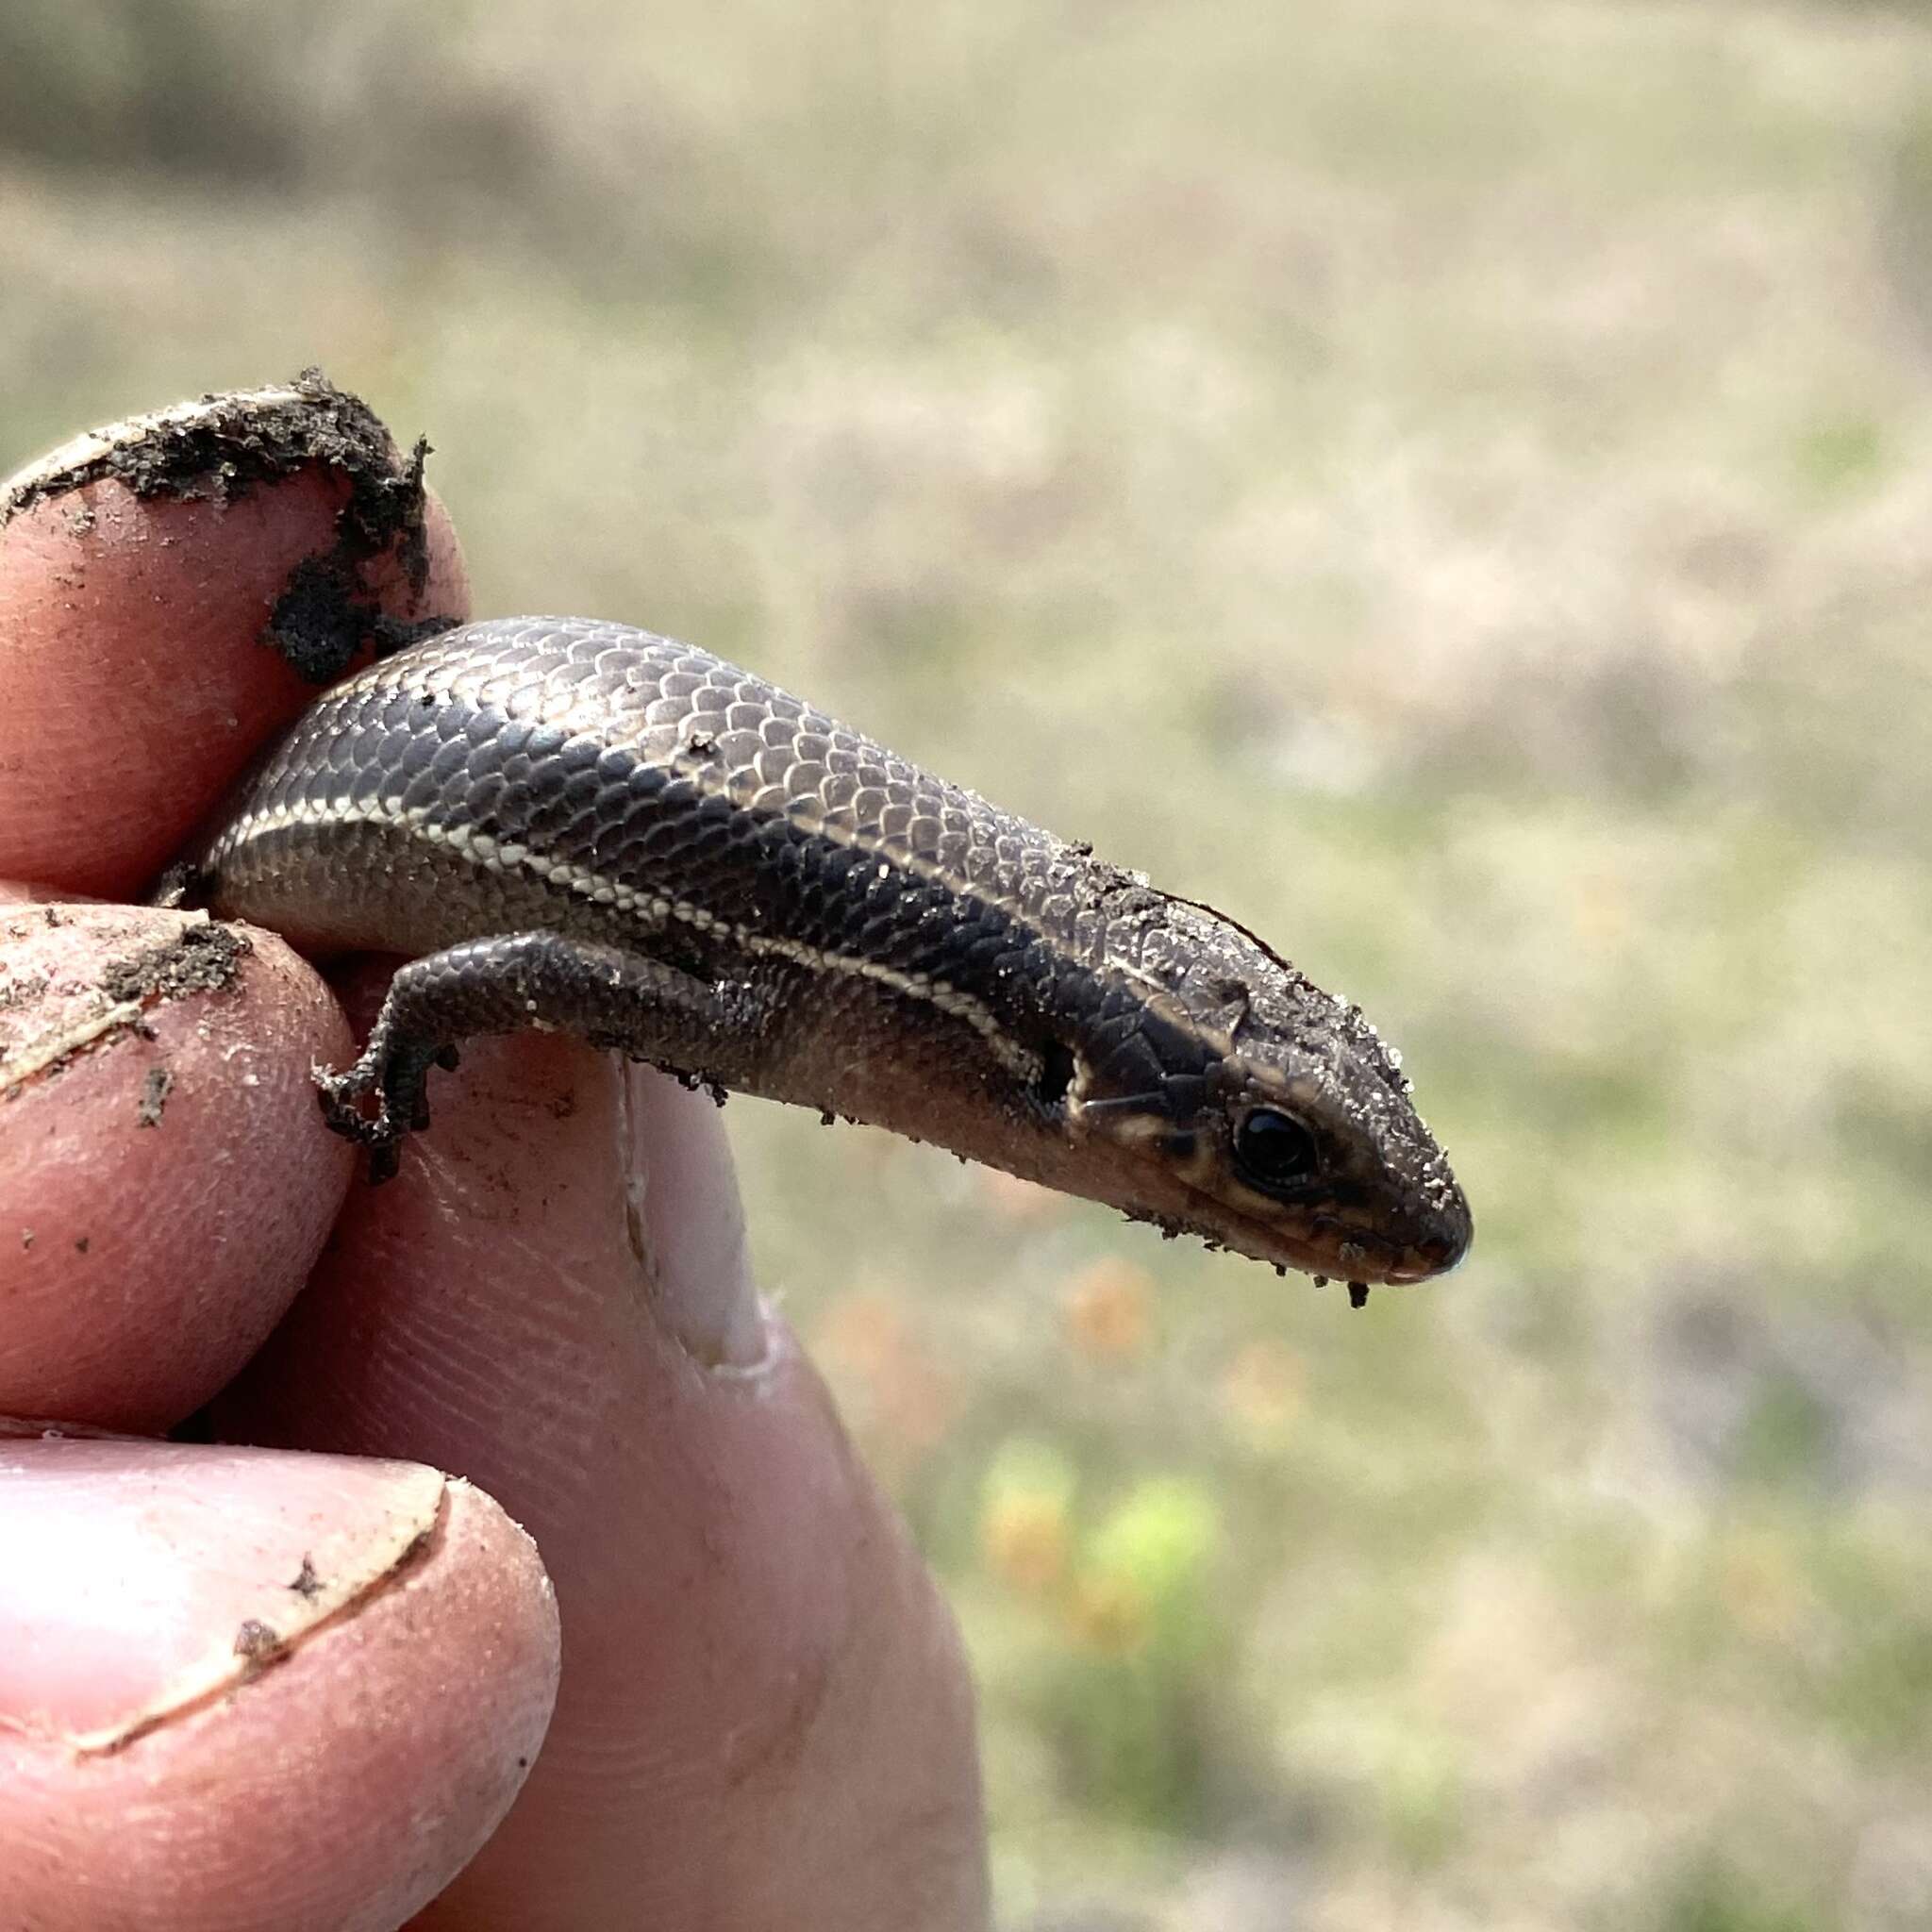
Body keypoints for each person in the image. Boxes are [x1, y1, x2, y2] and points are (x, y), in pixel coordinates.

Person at [0, 388, 989, 1931]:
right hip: (226, 880)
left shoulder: (821, 961)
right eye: (1269, 1160)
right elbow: (476, 979)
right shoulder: (793, 971)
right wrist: (393, 1074)